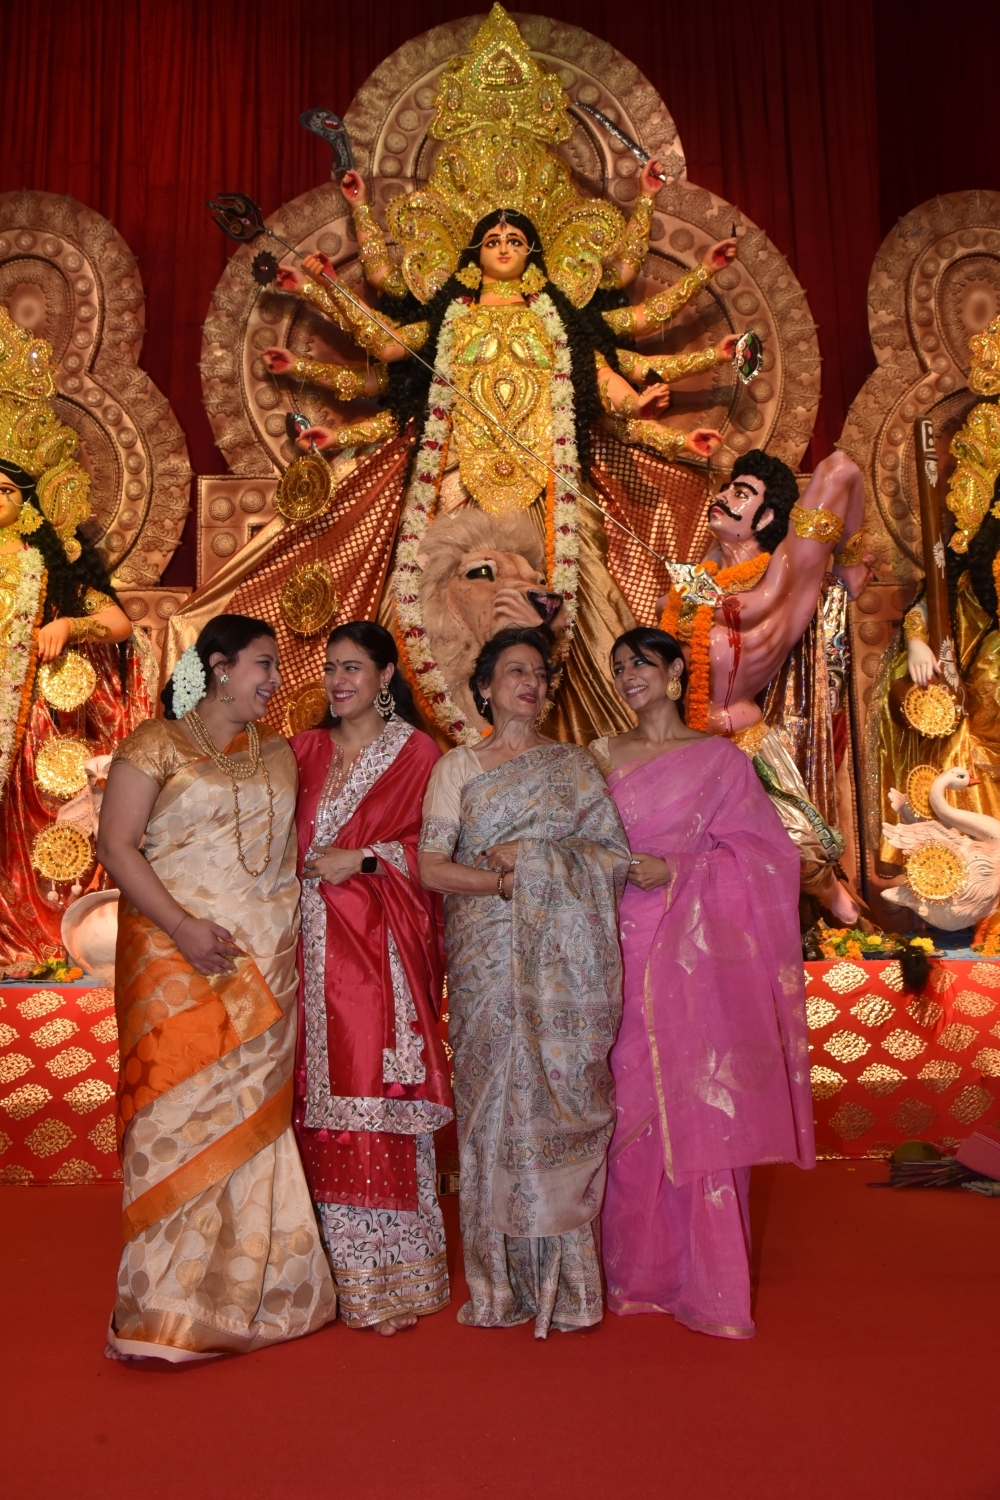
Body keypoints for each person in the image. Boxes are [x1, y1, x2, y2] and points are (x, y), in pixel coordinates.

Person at [256, 4, 738, 746]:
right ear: (470, 252)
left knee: (564, 603)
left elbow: (603, 388)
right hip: (454, 481)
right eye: (493, 238)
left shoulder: (560, 319)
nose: (505, 244)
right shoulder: (449, 318)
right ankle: (432, 751)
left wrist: (648, 405)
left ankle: (567, 749)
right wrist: (322, 288)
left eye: (517, 236)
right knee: (433, 605)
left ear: (537, 250)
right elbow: (386, 349)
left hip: (549, 488)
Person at [96, 613, 335, 1361]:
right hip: (173, 961)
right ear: (219, 666)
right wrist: (183, 926)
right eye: (263, 665)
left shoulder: (281, 754)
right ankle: (163, 1304)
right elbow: (116, 845)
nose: (274, 681)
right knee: (175, 1122)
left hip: (265, 962)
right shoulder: (156, 744)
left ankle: (254, 1295)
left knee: (252, 1124)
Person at [590, 628, 814, 1339]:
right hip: (615, 942)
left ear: (676, 669)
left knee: (696, 1099)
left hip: (695, 952)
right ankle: (633, 1271)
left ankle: (705, 1280)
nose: (629, 676)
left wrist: (681, 871)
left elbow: (768, 856)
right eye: (619, 666)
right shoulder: (598, 756)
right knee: (624, 1103)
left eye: (642, 664)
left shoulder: (718, 760)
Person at [418, 625, 629, 1337]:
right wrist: (507, 884)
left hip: (560, 964)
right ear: (483, 686)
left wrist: (536, 859)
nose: (530, 683)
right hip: (485, 954)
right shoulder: (459, 767)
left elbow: (613, 858)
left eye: (539, 672)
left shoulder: (574, 767)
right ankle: (500, 1285)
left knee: (551, 1099)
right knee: (493, 1106)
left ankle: (566, 1287)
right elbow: (430, 867)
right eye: (514, 671)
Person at [291, 621, 453, 1335]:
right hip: (301, 952)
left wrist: (361, 859)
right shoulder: (302, 751)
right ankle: (321, 1279)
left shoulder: (419, 754)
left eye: (353, 668)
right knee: (309, 1103)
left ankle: (391, 1279)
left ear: (388, 675)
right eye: (331, 668)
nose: (338, 680)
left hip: (376, 957)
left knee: (373, 1095)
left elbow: (440, 849)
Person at [0, 302, 153, 965]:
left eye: (6, 491)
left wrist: (68, 621)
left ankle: (38, 936)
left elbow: (120, 623)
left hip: (28, 720)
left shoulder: (53, 570)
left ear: (29, 503)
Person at [658, 446, 871, 922]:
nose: (721, 496)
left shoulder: (782, 578)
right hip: (682, 747)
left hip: (743, 745)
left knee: (798, 848)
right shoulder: (699, 580)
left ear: (767, 514)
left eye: (740, 492)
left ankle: (829, 894)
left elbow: (842, 468)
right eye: (725, 487)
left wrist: (849, 560)